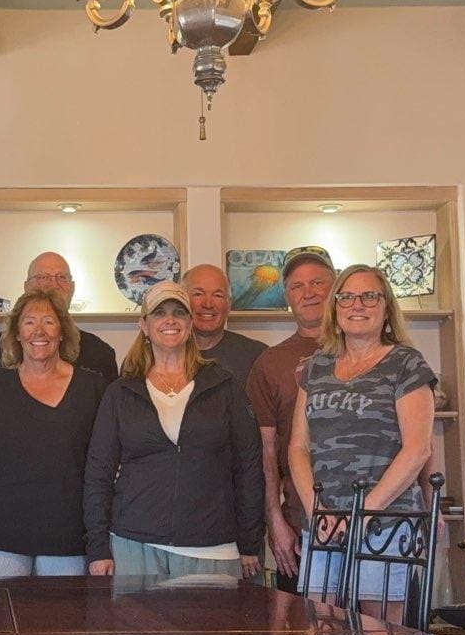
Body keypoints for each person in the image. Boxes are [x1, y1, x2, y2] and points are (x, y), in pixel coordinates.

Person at [83, 281, 264, 580]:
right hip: (133, 545)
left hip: (211, 546)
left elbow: (248, 467)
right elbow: (98, 473)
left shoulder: (223, 385)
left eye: (179, 313)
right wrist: (98, 548)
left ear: (190, 323)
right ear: (144, 324)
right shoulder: (120, 392)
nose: (170, 320)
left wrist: (250, 541)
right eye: (159, 313)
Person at [286, 264, 436, 605]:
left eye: (370, 296)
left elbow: (417, 450)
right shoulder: (316, 366)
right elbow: (298, 447)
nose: (358, 305)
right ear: (334, 309)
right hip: (324, 523)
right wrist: (316, 511)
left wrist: (361, 515)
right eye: (347, 297)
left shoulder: (406, 364)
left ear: (386, 309)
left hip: (384, 523)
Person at [0, 288, 107, 577]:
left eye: (49, 321)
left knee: (61, 621)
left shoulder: (93, 388)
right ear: (16, 333)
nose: (39, 331)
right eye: (29, 322)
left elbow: (102, 469)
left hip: (68, 536)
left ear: (62, 331)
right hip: (0, 535)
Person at [245, 246, 336, 593]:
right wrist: (275, 522)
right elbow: (267, 453)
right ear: (287, 296)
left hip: (376, 524)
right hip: (300, 529)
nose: (308, 292)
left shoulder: (367, 351)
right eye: (297, 286)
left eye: (318, 282)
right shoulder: (270, 364)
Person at [0, 252, 117, 388]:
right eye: (43, 277)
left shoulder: (101, 354)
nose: (53, 285)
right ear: (26, 287)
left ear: (72, 288)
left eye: (62, 277)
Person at [184, 263, 265, 381]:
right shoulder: (161, 354)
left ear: (229, 304)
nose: (207, 304)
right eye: (198, 294)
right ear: (182, 301)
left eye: (217, 295)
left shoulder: (257, 356)